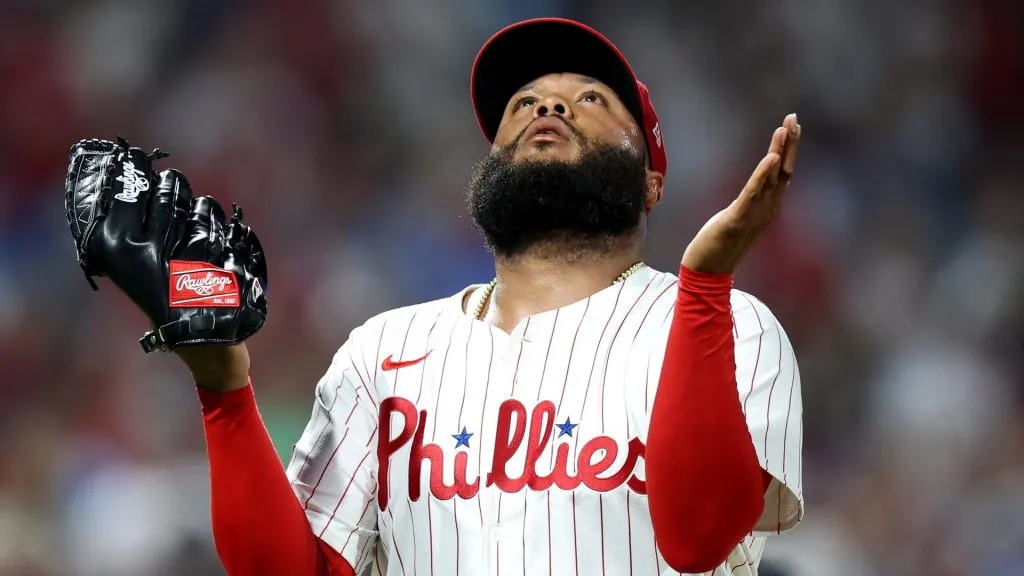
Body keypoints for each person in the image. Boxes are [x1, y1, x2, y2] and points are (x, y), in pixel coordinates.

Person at [177, 17, 804, 576]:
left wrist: (705, 285)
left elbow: (698, 539)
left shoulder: (727, 325)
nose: (548, 108)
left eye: (589, 98)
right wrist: (224, 395)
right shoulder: (382, 353)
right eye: (523, 103)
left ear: (651, 179)